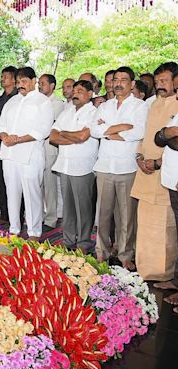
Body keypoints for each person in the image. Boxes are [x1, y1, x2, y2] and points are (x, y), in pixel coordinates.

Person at [91, 66, 149, 270]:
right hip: (105, 165)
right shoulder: (105, 106)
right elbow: (94, 130)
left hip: (127, 166)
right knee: (103, 213)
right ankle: (102, 252)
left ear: (132, 84)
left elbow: (139, 131)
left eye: (124, 79)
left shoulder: (140, 106)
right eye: (115, 79)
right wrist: (121, 127)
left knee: (126, 215)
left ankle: (125, 254)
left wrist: (108, 129)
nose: (118, 83)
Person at [132, 62, 178, 281]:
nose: (160, 85)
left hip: (165, 175)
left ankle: (165, 274)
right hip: (145, 174)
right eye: (157, 81)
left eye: (164, 81)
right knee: (146, 227)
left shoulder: (176, 104)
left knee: (164, 229)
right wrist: (140, 157)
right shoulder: (153, 104)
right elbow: (146, 135)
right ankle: (145, 271)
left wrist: (157, 163)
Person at [0, 67, 54, 240]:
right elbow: (0, 124)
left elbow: (43, 130)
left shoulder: (42, 102)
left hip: (30, 155)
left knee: (32, 195)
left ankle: (34, 232)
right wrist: (5, 136)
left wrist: (19, 139)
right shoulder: (11, 101)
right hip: (8, 154)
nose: (20, 85)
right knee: (11, 193)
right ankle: (14, 229)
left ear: (34, 81)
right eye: (18, 82)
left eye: (24, 82)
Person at [49, 80, 98, 253]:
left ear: (90, 94)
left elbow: (83, 136)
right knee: (68, 207)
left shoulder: (94, 112)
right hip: (65, 165)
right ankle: (68, 239)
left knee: (83, 207)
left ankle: (84, 242)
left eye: (80, 91)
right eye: (74, 90)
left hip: (83, 166)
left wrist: (65, 133)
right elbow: (53, 137)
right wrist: (71, 137)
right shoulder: (67, 111)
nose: (75, 94)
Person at [154, 76, 178, 309]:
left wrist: (169, 134)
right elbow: (160, 138)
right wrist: (168, 133)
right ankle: (176, 280)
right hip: (172, 180)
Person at [0, 66, 18, 223]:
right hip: (0, 143)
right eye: (2, 76)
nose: (2, 79)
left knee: (15, 183)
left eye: (6, 77)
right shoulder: (0, 99)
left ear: (14, 79)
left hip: (15, 145)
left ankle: (17, 215)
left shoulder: (19, 98)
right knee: (2, 180)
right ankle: (4, 213)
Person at [38, 74, 65, 229]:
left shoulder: (57, 103)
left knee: (50, 185)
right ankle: (39, 215)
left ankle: (51, 218)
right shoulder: (38, 102)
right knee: (38, 183)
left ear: (52, 85)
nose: (40, 86)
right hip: (36, 148)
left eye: (43, 83)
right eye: (39, 83)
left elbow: (48, 124)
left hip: (49, 148)